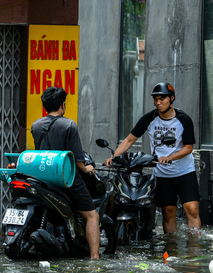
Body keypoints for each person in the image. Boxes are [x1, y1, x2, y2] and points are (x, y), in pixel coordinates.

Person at [104, 82, 201, 234]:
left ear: (172, 99)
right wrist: (114, 156)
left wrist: (170, 157)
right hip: (162, 174)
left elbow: (188, 148)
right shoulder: (149, 118)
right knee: (168, 212)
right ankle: (171, 248)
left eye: (162, 99)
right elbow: (130, 140)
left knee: (192, 209)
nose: (158, 102)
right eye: (155, 99)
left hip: (184, 171)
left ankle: (194, 248)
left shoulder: (184, 120)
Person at [31, 87, 100, 259]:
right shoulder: (69, 125)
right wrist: (87, 169)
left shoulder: (36, 125)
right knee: (92, 216)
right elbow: (78, 160)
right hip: (66, 179)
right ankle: (95, 257)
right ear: (62, 105)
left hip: (43, 178)